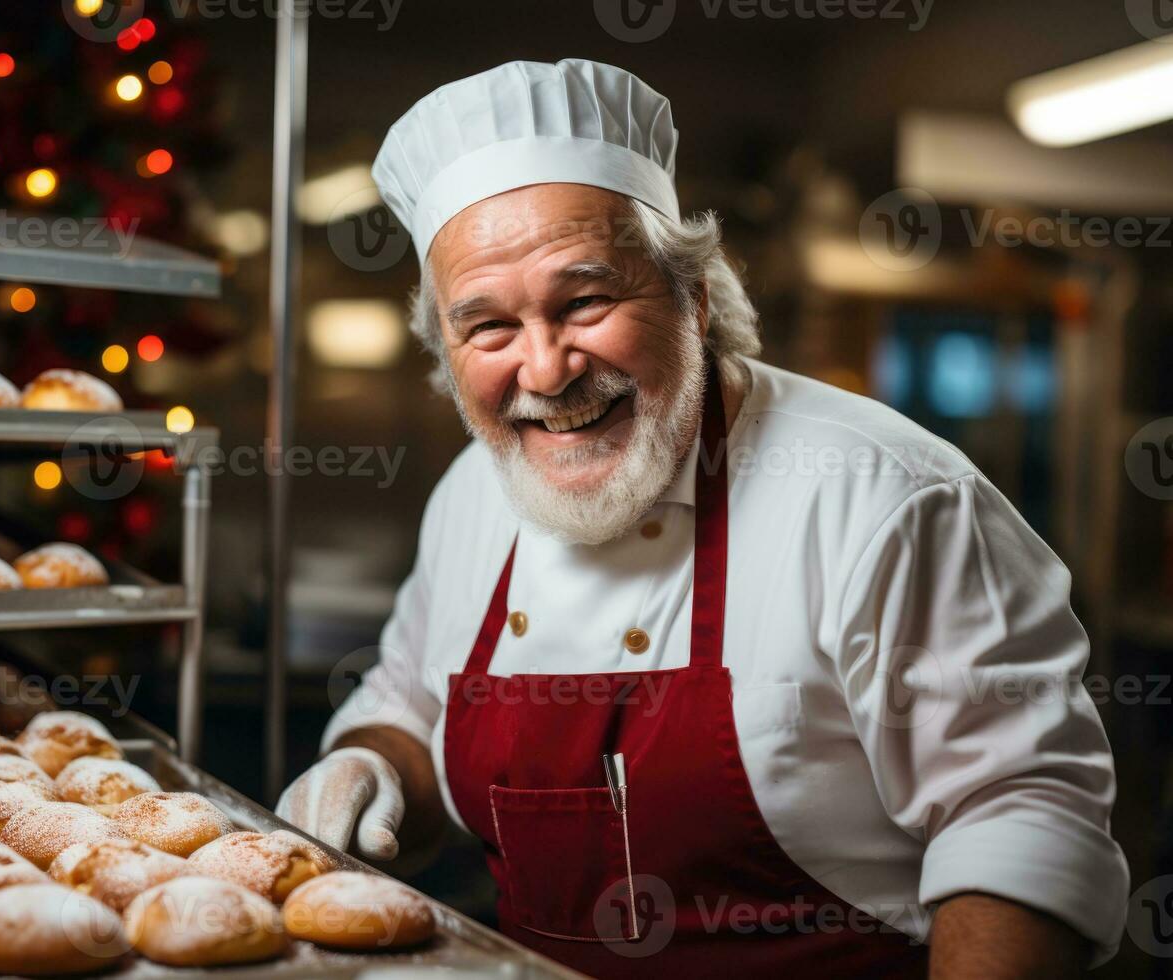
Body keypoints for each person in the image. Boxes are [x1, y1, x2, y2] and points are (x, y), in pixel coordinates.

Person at [277, 60, 1128, 978]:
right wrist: (370, 764)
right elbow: (411, 701)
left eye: (587, 301)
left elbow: (1021, 820)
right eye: (487, 327)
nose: (547, 369)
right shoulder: (473, 494)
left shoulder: (883, 496)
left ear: (694, 296)